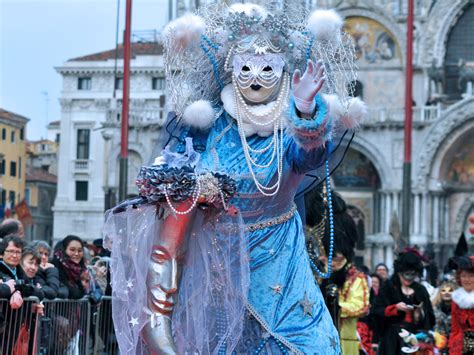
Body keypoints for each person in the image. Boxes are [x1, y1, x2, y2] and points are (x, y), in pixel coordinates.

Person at [104, 3, 365, 354]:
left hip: (278, 258)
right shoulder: (210, 128)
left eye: (267, 68)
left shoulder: (287, 130)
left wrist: (304, 109)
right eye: (245, 67)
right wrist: (196, 189)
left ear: (284, 71)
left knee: (309, 345)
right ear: (231, 70)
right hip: (217, 260)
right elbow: (178, 182)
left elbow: (311, 156)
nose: (255, 77)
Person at [306, 190, 370, 355]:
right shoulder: (319, 275)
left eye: (336, 258)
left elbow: (359, 306)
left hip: (346, 343)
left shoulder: (356, 279)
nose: (331, 263)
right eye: (329, 257)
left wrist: (335, 304)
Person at [374, 250, 435, 355]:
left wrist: (420, 314)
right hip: (391, 341)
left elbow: (430, 319)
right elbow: (376, 311)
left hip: (415, 339)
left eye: (413, 275)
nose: (409, 279)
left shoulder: (421, 290)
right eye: (406, 274)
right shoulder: (388, 288)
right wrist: (394, 308)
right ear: (398, 272)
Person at [449, 256, 474, 354]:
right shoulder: (457, 299)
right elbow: (455, 329)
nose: (467, 280)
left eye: (471, 276)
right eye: (463, 276)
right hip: (463, 347)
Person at [52, 235, 88, 299]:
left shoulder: (78, 269)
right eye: (72, 250)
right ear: (64, 250)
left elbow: (81, 291)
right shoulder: (56, 264)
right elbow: (74, 293)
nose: (76, 254)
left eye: (79, 250)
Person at [432, 280, 456, 354]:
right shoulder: (433, 309)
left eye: (450, 290)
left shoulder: (461, 310)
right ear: (440, 293)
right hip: (438, 348)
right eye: (443, 290)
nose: (447, 292)